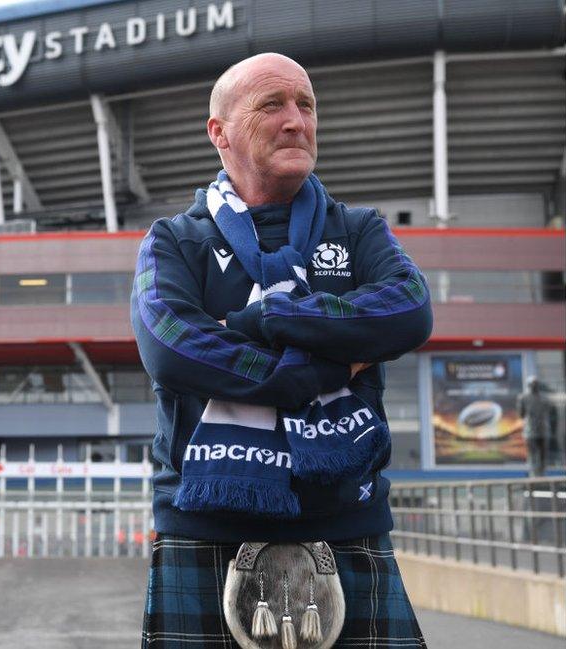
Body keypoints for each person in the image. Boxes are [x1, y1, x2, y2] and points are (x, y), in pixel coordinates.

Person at [132, 53, 433, 648]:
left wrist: (268, 315)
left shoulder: (358, 229)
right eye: (272, 104)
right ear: (218, 131)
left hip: (347, 522)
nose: (297, 120)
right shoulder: (174, 239)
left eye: (306, 104)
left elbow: (409, 309)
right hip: (205, 526)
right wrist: (318, 367)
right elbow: (170, 345)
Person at [518, 376, 558, 477]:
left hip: (536, 430)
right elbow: (521, 414)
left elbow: (521, 414)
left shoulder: (525, 398)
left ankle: (538, 474)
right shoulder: (526, 398)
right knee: (537, 454)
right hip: (536, 430)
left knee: (538, 454)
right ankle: (536, 474)